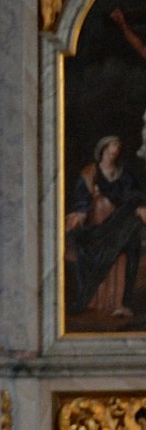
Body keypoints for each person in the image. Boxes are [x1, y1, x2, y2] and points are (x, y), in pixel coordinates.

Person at [63, 135, 146, 320]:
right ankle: (95, 302)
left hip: (119, 224)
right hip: (97, 221)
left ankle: (117, 304)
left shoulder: (125, 176)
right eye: (112, 146)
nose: (115, 150)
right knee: (98, 254)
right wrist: (80, 215)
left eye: (118, 146)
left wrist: (139, 208)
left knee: (120, 257)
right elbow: (82, 200)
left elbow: (133, 199)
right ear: (104, 149)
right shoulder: (89, 173)